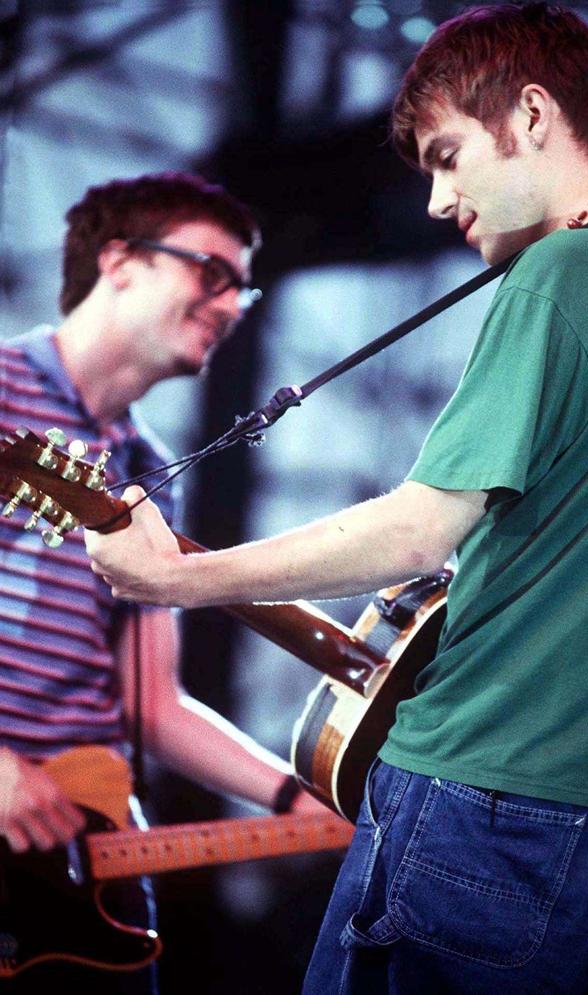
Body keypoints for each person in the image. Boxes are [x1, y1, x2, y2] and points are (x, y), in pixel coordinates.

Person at [84, 5, 588, 993]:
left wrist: (177, 578)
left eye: (447, 157)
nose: (437, 200)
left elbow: (419, 529)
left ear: (532, 116)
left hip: (490, 805)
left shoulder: (563, 271)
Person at [0, 171, 327, 995]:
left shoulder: (149, 470)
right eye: (212, 271)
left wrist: (299, 802)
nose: (231, 303)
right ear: (120, 261)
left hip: (89, 850)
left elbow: (154, 703)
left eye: (244, 289)